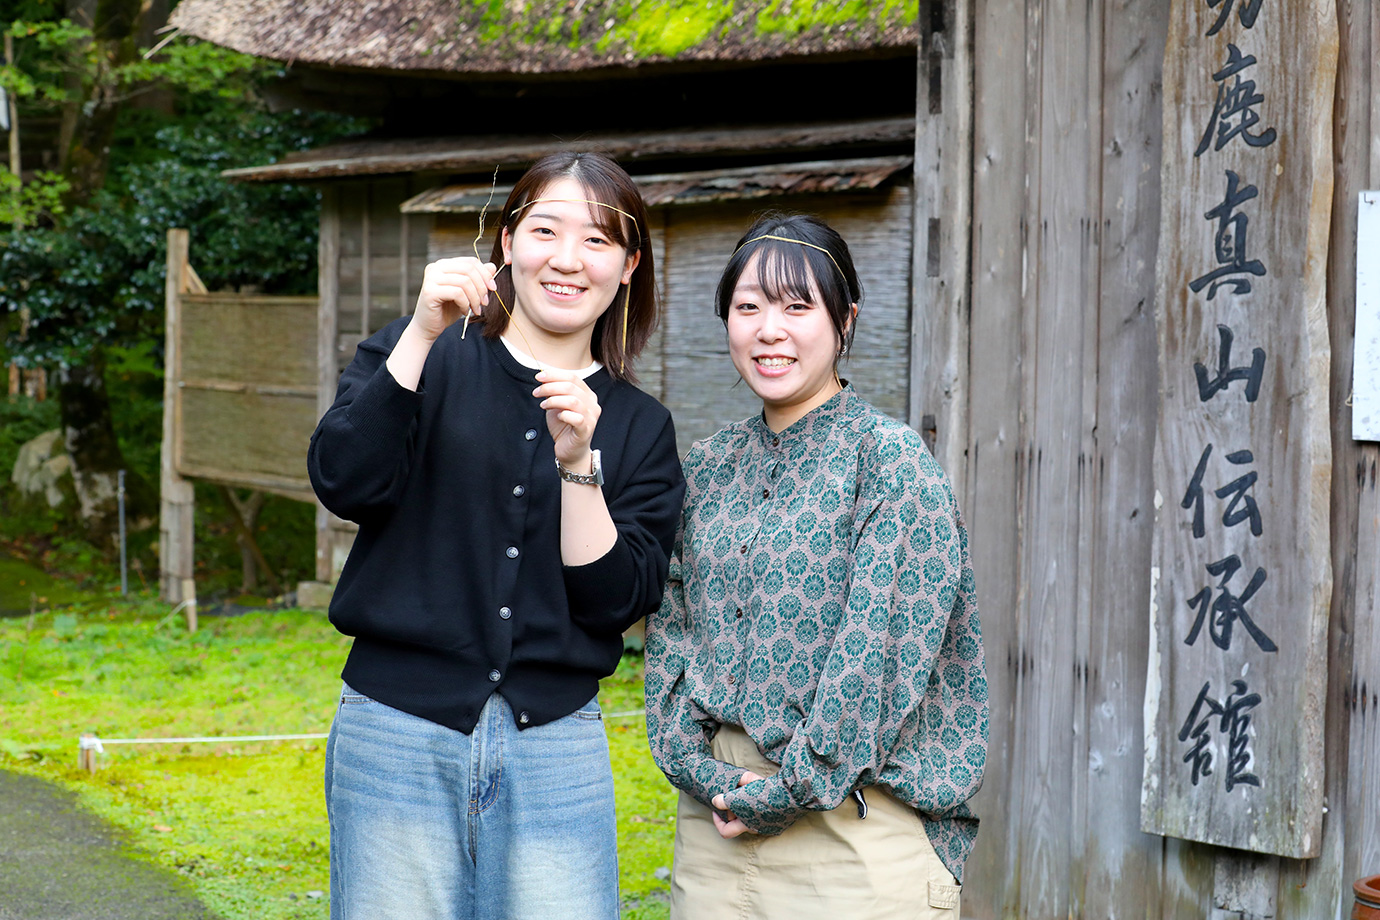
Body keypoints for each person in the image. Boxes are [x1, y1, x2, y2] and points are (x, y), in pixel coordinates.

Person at [308, 151, 685, 920]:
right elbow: (345, 481)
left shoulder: (641, 427)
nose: (567, 260)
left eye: (598, 241)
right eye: (545, 229)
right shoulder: (426, 358)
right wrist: (419, 333)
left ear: (628, 266)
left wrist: (580, 464)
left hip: (555, 744)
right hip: (395, 731)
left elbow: (617, 599)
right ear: (507, 242)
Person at [644, 213, 988, 919]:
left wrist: (788, 790)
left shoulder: (888, 465)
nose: (770, 330)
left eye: (797, 306)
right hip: (715, 830)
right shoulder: (708, 470)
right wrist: (697, 768)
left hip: (855, 832)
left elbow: (876, 657)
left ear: (845, 319)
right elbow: (671, 639)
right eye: (748, 307)